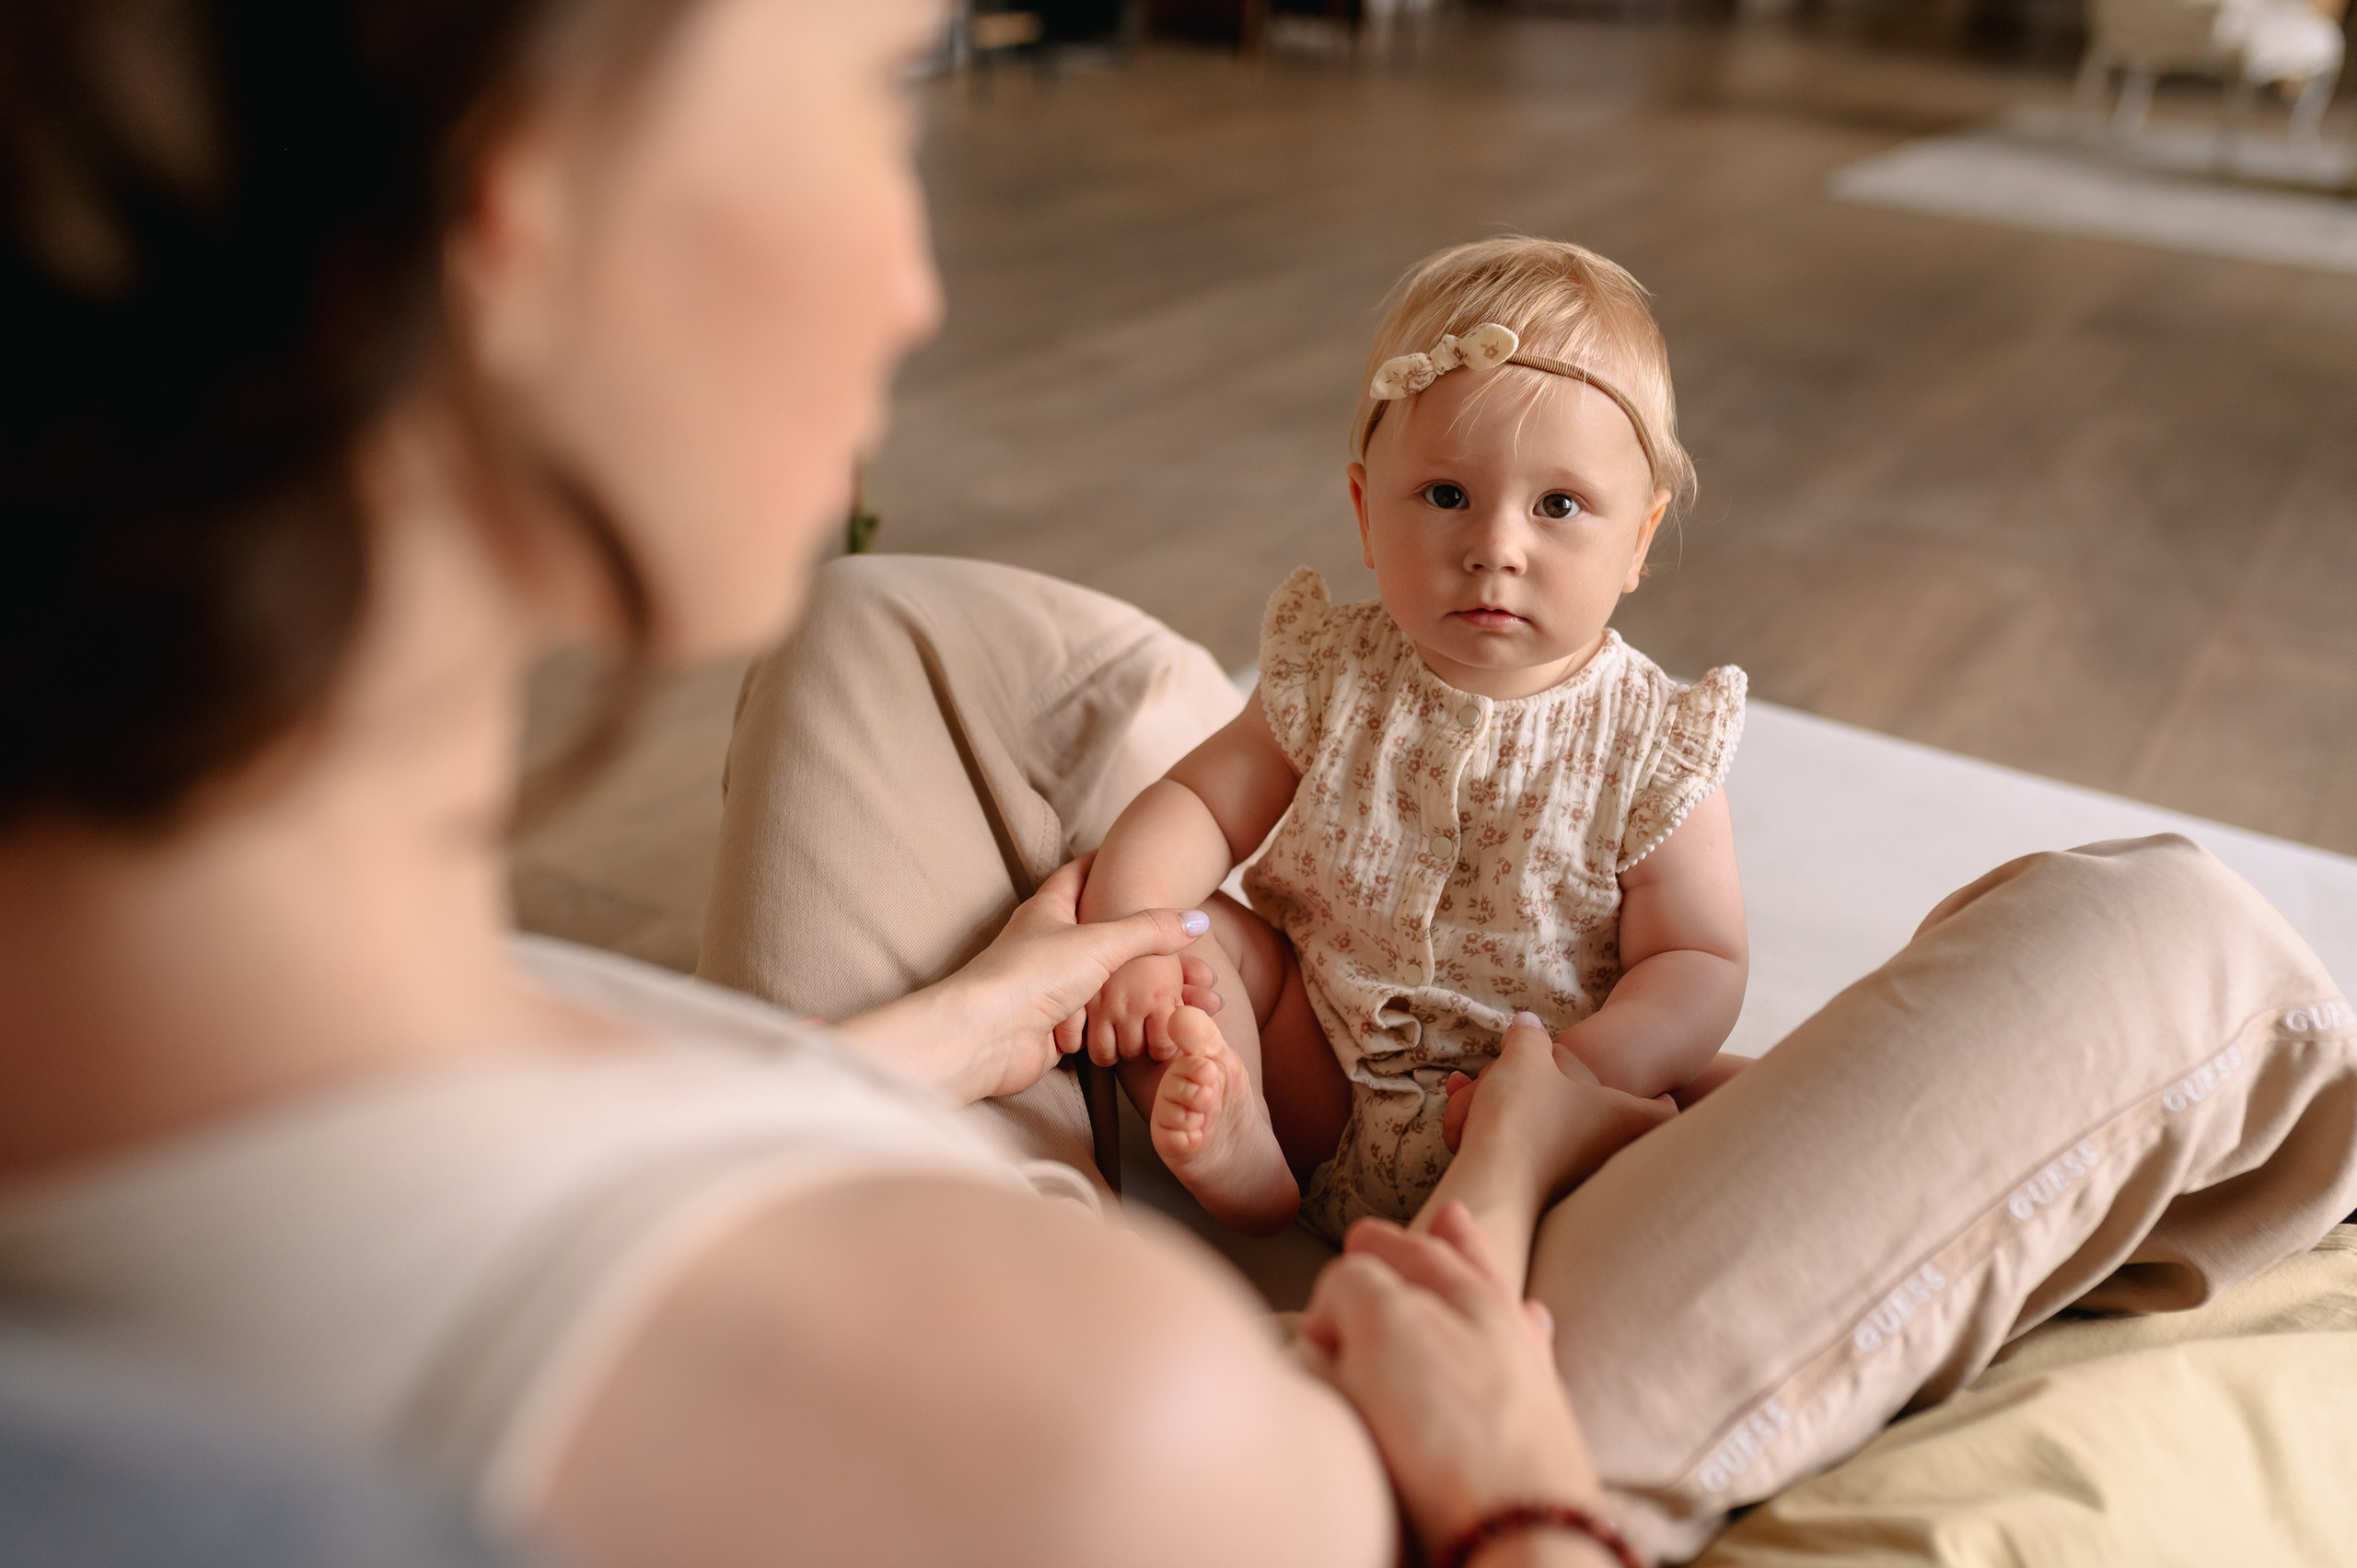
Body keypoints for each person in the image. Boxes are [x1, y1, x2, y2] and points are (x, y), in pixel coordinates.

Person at [2, 3, 2351, 1567]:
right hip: (1412, 1306)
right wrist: (1505, 1470)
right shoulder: (1101, 1442)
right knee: (2175, 946)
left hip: (1047, 1130)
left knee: (897, 624)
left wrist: (990, 1007)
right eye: (872, 92)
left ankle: (1118, 1082)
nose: (914, 276)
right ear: (514, 226)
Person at [1073, 238, 1750, 1239]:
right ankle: (1246, 1151)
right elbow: (1200, 807)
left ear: (1638, 539)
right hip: (1320, 1070)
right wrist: (1129, 929)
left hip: (1542, 1113)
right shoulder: (1329, 672)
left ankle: (1555, 1219)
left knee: (1735, 1098)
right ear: (1363, 510)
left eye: (1558, 505)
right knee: (1194, 947)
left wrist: (1582, 1069)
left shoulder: (1652, 742)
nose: (1496, 547)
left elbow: (1696, 956)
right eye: (1445, 496)